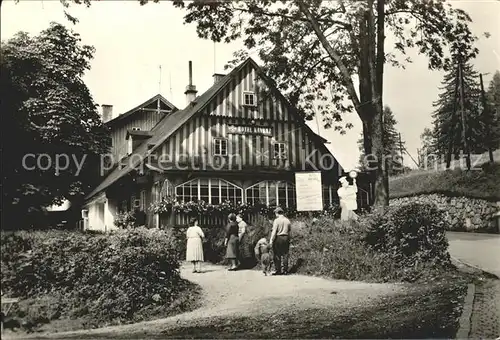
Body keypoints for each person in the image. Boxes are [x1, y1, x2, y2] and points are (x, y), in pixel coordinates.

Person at [269, 207, 292, 275]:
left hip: (278, 238)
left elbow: (274, 231)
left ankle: (278, 270)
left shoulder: (276, 220)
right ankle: (285, 270)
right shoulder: (287, 220)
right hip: (286, 237)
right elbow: (289, 229)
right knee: (285, 254)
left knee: (277, 254)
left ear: (277, 213)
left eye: (275, 213)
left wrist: (271, 240)